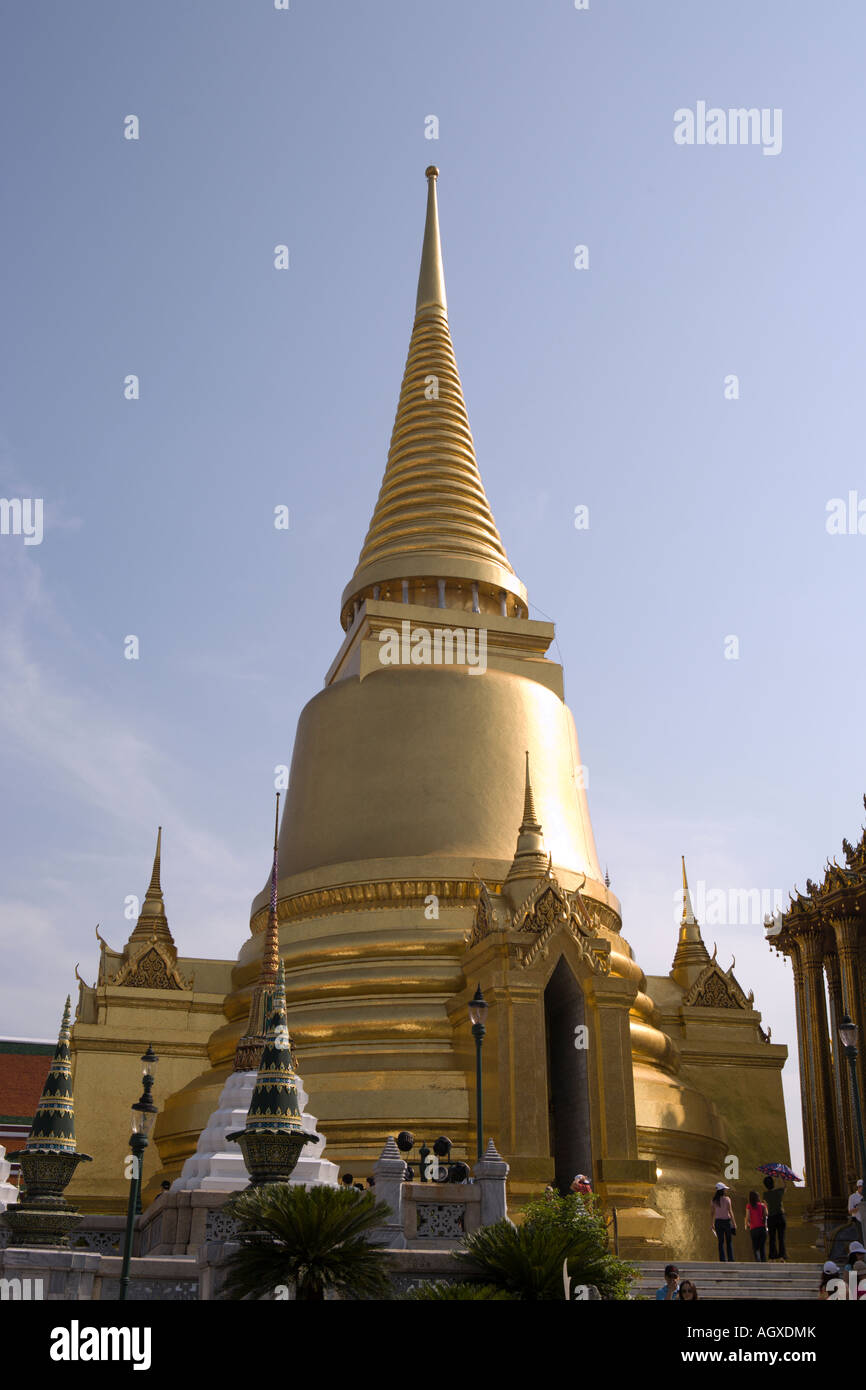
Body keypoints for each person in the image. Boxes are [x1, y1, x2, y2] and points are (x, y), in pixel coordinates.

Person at [763, 1175, 787, 1261]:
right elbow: (785, 1187)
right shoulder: (779, 1191)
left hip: (771, 1217)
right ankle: (782, 1256)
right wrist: (782, 1179)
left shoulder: (765, 1194)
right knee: (781, 1238)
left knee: (772, 1238)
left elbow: (765, 1204)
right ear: (773, 1184)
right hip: (780, 1216)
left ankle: (772, 1257)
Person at [711, 1182, 736, 1261]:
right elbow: (730, 1211)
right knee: (729, 1241)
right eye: (725, 1189)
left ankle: (722, 1259)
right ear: (722, 1190)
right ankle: (731, 1259)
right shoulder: (727, 1199)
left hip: (718, 1222)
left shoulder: (713, 1200)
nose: (726, 1190)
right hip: (727, 1222)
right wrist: (734, 1223)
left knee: (720, 1242)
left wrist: (712, 1223)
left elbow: (712, 1212)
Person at [746, 1189, 769, 1262]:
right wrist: (766, 1206)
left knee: (755, 1248)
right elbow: (766, 1215)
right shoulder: (762, 1205)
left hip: (754, 1229)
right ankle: (764, 1262)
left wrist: (748, 1224)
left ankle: (758, 1261)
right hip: (762, 1229)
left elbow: (748, 1217)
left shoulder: (748, 1206)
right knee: (762, 1247)